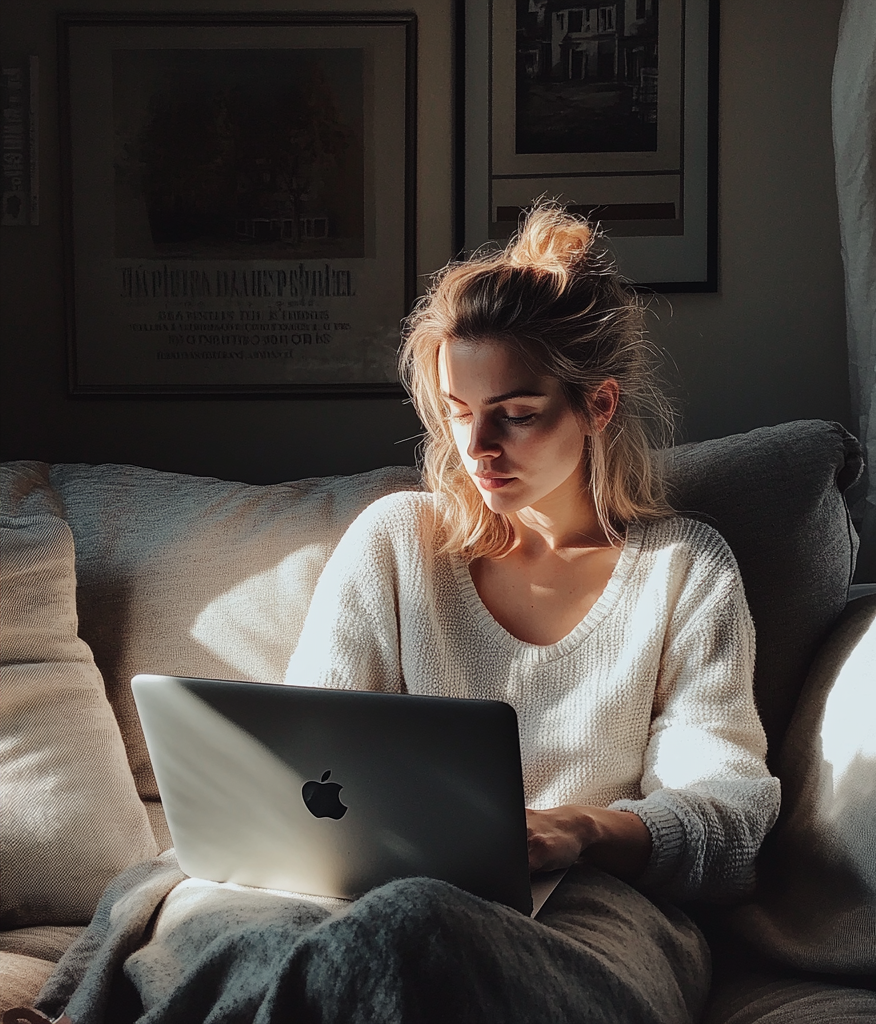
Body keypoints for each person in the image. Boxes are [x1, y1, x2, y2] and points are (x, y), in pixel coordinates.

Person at [282, 202, 781, 1023]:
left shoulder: (683, 572)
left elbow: (727, 817)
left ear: (599, 406)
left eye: (515, 415)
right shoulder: (397, 544)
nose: (478, 448)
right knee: (202, 916)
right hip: (387, 893)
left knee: (414, 934)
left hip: (601, 912)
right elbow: (297, 762)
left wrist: (580, 829)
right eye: (458, 410)